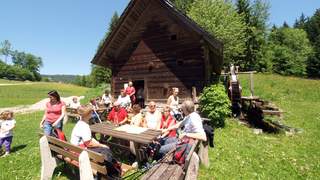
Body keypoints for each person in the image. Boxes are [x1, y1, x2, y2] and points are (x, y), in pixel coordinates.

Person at [70, 105, 121, 178]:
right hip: (80, 151)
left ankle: (112, 168)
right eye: (92, 112)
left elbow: (89, 139)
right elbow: (89, 144)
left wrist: (99, 144)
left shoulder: (80, 123)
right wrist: (101, 145)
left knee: (104, 150)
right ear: (89, 114)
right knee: (106, 150)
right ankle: (110, 173)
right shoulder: (84, 126)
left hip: (75, 149)